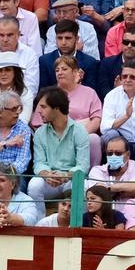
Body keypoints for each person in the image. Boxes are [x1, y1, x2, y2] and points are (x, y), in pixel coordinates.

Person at [28, 86, 90, 220]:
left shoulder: (80, 131)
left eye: (44, 107)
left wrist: (65, 176)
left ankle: (80, 224)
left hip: (70, 179)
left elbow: (83, 166)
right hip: (49, 179)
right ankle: (39, 223)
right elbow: (39, 163)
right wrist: (47, 174)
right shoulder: (39, 133)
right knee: (34, 185)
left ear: (56, 108)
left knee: (83, 186)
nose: (39, 111)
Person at [31, 56, 103, 168]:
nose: (60, 72)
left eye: (64, 69)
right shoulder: (48, 94)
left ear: (75, 72)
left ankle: (91, 175)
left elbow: (96, 119)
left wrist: (80, 135)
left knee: (93, 139)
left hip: (83, 134)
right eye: (57, 70)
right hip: (54, 137)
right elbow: (38, 123)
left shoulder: (89, 92)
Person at [101, 60, 135, 162]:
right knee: (111, 134)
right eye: (124, 76)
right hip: (121, 141)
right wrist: (126, 116)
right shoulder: (112, 96)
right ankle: (115, 171)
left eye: (132, 77)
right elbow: (104, 128)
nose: (127, 80)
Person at [40, 16, 100, 90]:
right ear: (55, 38)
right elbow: (42, 93)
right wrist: (71, 83)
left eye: (68, 38)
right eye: (60, 38)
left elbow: (91, 93)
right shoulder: (44, 61)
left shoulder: (89, 62)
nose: (63, 43)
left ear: (77, 39)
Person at [98, 24, 135, 99]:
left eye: (134, 43)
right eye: (126, 42)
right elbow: (102, 90)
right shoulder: (107, 64)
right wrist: (118, 92)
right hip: (114, 107)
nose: (129, 45)